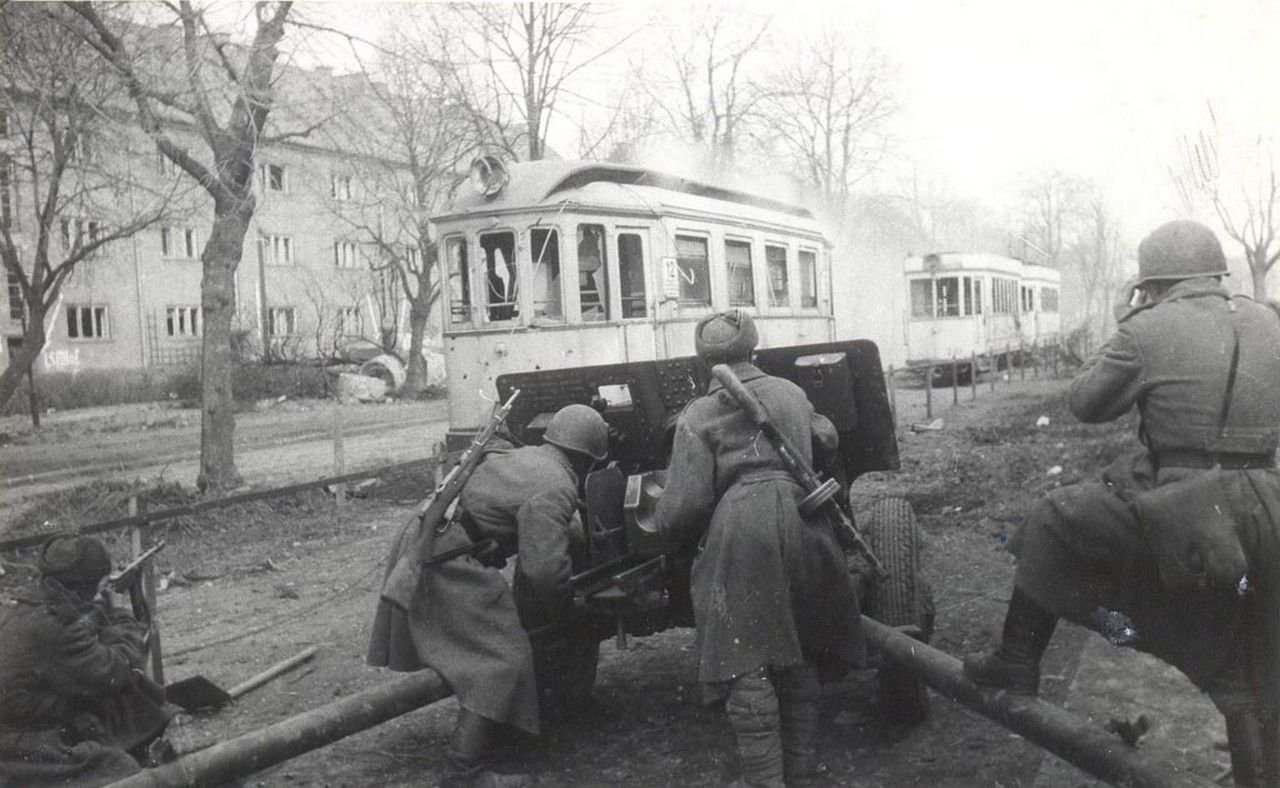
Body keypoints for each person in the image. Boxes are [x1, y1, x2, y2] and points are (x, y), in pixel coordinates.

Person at [963, 220, 1280, 786]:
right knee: (1257, 663)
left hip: (1191, 512)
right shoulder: (1268, 321)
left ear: (1150, 285)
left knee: (1056, 518)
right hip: (1269, 508)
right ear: (1214, 273)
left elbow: (1086, 403)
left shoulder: (1147, 328)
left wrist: (1126, 324)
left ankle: (1017, 660)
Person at [648, 309, 864, 788]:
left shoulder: (700, 413)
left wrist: (662, 527)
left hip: (741, 529)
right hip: (806, 518)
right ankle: (802, 773)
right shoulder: (791, 392)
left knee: (748, 662)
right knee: (801, 651)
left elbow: (687, 504)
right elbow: (825, 437)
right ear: (754, 349)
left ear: (703, 359)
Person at [367, 403, 610, 788]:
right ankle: (465, 770)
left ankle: (495, 735)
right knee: (500, 659)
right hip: (443, 556)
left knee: (493, 647)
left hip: (430, 536)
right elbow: (544, 571)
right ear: (585, 460)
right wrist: (570, 609)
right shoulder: (557, 485)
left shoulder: (527, 457)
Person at [0, 535, 174, 787]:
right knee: (123, 771)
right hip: (21, 745)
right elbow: (119, 671)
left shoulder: (23, 609)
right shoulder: (54, 626)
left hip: (25, 725)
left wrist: (94, 614)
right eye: (96, 585)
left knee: (126, 708)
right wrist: (118, 616)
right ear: (79, 589)